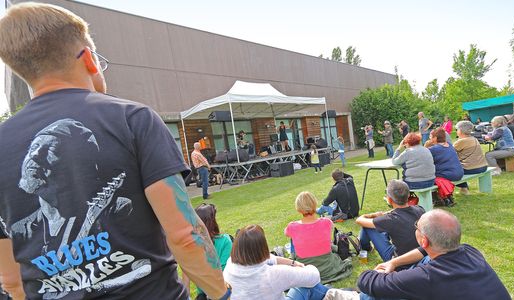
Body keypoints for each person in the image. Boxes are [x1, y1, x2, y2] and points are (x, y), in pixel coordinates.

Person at [0, 3, 229, 299]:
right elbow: (186, 235)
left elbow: (11, 278)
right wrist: (220, 293)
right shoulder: (133, 119)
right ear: (89, 59)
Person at [357, 209, 511, 300]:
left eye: (417, 227)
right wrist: (394, 263)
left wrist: (382, 271)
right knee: (425, 259)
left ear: (423, 240)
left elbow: (366, 281)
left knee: (379, 295)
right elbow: (424, 251)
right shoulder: (471, 251)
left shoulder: (428, 277)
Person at [224, 225, 329, 300]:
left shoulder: (230, 264)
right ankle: (334, 294)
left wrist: (293, 263)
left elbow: (268, 258)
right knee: (309, 286)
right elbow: (314, 277)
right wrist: (305, 267)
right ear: (262, 248)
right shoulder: (272, 274)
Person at [285, 192, 353, 283]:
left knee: (293, 238)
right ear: (314, 205)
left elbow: (287, 233)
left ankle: (294, 256)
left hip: (305, 267)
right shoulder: (326, 222)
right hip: (327, 266)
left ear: (299, 209)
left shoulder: (292, 226)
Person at [356, 180, 425, 262]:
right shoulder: (420, 209)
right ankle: (365, 247)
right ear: (408, 195)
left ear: (389, 199)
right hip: (421, 254)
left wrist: (372, 215)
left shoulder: (389, 219)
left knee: (367, 226)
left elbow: (359, 220)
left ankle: (365, 248)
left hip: (398, 260)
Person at [182, 204, 233, 300]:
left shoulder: (224, 241)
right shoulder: (225, 240)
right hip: (217, 293)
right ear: (212, 222)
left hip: (215, 292)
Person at [453, 121, 488, 195]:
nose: (456, 131)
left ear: (460, 131)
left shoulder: (461, 141)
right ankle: (464, 188)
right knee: (458, 167)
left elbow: (449, 152)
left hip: (472, 168)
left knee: (450, 171)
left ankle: (464, 188)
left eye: (457, 129)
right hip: (483, 166)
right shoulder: (474, 138)